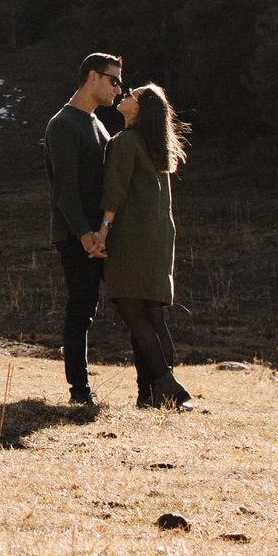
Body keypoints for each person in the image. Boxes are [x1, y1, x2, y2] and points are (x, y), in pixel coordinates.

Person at [96, 82, 190, 409]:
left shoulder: (125, 143)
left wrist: (103, 232)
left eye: (133, 94)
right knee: (152, 315)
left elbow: (115, 193)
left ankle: (168, 385)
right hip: (160, 237)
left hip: (132, 237)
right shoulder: (156, 147)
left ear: (138, 109)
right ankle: (149, 394)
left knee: (131, 311)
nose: (126, 93)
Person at [44, 52, 122, 407]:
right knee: (81, 309)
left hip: (98, 234)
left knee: (127, 302)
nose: (119, 89)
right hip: (77, 236)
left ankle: (152, 383)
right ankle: (80, 391)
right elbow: (65, 191)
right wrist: (84, 234)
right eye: (114, 80)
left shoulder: (97, 123)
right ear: (93, 77)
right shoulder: (64, 124)